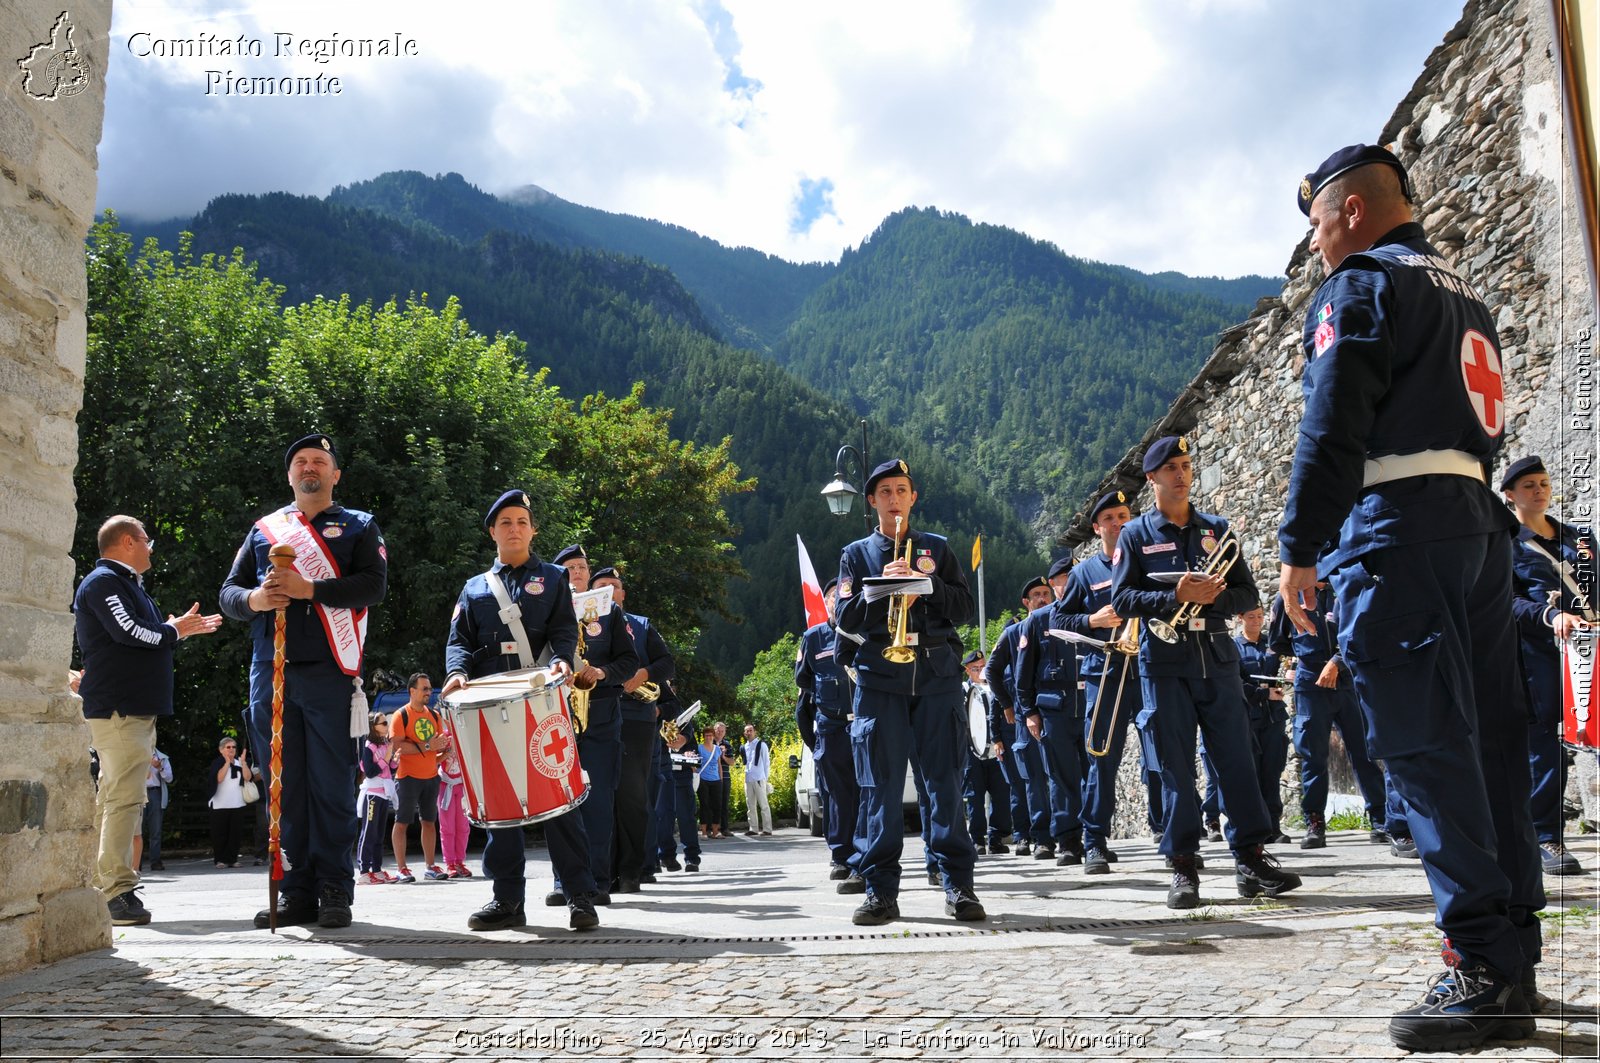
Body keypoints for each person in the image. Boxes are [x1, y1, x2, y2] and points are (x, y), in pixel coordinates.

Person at [1278, 144, 1543, 1050]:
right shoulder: (1462, 289)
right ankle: (1516, 952)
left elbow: (1333, 418)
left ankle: (1479, 964)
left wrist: (1299, 546)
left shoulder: (1359, 285)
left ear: (1351, 210)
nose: (1315, 243)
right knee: (1496, 744)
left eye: (1316, 222)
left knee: (1428, 746)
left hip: (1399, 532)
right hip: (1476, 525)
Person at [1111, 435, 1299, 910]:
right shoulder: (1136, 535)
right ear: (1151, 478)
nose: (1181, 473)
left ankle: (1251, 859)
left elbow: (1248, 595)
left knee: (1237, 759)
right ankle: (1182, 865)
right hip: (1165, 665)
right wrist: (1175, 595)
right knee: (1175, 766)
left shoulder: (1218, 529)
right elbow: (1122, 600)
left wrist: (1217, 597)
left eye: (1186, 465)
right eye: (1170, 467)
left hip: (1217, 660)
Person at [221, 433, 388, 931]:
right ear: (290, 474)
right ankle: (293, 889)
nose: (309, 466)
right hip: (268, 670)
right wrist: (256, 600)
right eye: (300, 461)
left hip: (328, 674)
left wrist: (308, 589)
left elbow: (372, 586)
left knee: (331, 786)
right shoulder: (265, 530)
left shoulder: (359, 526)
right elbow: (229, 593)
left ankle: (336, 886)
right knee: (283, 787)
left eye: (320, 461)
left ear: (335, 475)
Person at [834, 458, 983, 926]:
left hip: (937, 675)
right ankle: (880, 890)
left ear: (913, 497)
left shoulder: (937, 548)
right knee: (879, 788)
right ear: (872, 501)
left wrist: (927, 587)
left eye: (902, 490)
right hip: (880, 679)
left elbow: (962, 606)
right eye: (885, 492)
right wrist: (883, 591)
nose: (894, 499)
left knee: (945, 784)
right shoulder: (855, 555)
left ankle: (957, 884)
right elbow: (844, 619)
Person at [441, 492, 599, 931]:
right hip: (490, 704)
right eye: (505, 522)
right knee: (499, 804)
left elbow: (565, 629)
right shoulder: (474, 588)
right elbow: (459, 641)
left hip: (540, 699)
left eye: (522, 521)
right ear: (492, 531)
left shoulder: (552, 578)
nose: (514, 528)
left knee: (561, 802)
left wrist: (563, 660)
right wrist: (456, 672)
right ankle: (507, 899)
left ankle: (580, 895)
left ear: (532, 530)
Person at [73, 515, 222, 926]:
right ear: (127, 542)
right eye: (147, 539)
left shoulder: (122, 584)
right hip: (119, 708)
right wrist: (174, 631)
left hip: (128, 708)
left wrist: (179, 631)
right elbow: (130, 631)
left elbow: (146, 633)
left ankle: (102, 885)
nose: (152, 547)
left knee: (114, 797)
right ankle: (117, 892)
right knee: (124, 799)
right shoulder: (104, 582)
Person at [1057, 491, 1165, 872]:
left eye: (1124, 515)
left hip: (1151, 670)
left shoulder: (1152, 560)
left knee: (1163, 755)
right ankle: (1095, 841)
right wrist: (1092, 621)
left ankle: (1169, 834)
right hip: (1106, 673)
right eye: (1111, 518)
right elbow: (1059, 621)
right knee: (1101, 758)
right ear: (1097, 527)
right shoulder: (1086, 572)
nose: (1119, 522)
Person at [1502, 454, 1593, 876]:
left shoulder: (1580, 539)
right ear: (1510, 496)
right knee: (1549, 746)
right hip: (1541, 658)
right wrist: (1551, 616)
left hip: (1590, 651)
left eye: (1543, 483)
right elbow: (1507, 601)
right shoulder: (1505, 542)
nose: (1539, 491)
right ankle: (1547, 836)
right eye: (1528, 486)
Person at [551, 544, 640, 904]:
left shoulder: (611, 614)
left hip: (601, 714)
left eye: (583, 567)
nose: (577, 572)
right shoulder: (546, 612)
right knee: (561, 801)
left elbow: (629, 660)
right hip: (557, 717)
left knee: (599, 800)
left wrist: (602, 672)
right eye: (570, 567)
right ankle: (563, 882)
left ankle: (598, 881)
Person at [1267, 587, 1388, 847]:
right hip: (1311, 682)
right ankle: (1314, 822)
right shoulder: (1287, 595)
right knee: (1313, 755)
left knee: (1365, 752)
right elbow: (1277, 641)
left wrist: (1336, 661)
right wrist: (1308, 654)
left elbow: (1360, 630)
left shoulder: (1342, 589)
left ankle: (1380, 819)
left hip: (1349, 680)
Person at [590, 566, 676, 891]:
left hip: (635, 719)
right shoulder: (579, 624)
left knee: (632, 798)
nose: (610, 591)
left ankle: (630, 872)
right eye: (602, 587)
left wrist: (642, 674)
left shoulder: (641, 625)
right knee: (599, 797)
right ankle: (602, 873)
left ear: (623, 594)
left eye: (615, 587)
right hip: (595, 717)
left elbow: (667, 663)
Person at [1015, 565, 1089, 866]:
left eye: (1073, 581)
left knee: (1094, 775)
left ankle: (1095, 838)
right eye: (1062, 583)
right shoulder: (1038, 621)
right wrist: (1030, 712)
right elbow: (1023, 675)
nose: (1068, 587)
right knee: (1061, 776)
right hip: (1054, 707)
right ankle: (1069, 840)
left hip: (1089, 704)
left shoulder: (1092, 615)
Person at [796, 579, 864, 887]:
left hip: (863, 726)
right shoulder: (812, 638)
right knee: (838, 796)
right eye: (832, 598)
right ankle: (840, 856)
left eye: (843, 597)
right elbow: (805, 687)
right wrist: (816, 743)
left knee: (868, 793)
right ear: (826, 603)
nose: (837, 602)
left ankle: (864, 856)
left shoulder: (866, 631)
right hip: (831, 727)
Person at [983, 579, 1054, 857]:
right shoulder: (1013, 633)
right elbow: (992, 671)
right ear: (1026, 603)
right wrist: (1007, 705)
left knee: (1065, 777)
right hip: (1026, 718)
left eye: (1046, 594)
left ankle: (1070, 834)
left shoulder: (1062, 625)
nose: (1042, 598)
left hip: (1059, 712)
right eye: (1035, 595)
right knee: (1033, 780)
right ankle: (1040, 837)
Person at [1234, 606, 1290, 844]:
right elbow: (1234, 682)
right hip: (1249, 718)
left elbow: (1284, 669)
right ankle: (1254, 828)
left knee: (1272, 771)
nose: (1257, 621)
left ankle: (1273, 826)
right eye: (1251, 617)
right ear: (1240, 618)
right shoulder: (1233, 647)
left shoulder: (1273, 644)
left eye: (1260, 616)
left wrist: (1286, 679)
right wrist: (1261, 694)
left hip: (1273, 718)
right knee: (1252, 774)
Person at [389, 673, 447, 883]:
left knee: (429, 822)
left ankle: (430, 867)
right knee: (402, 822)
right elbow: (396, 746)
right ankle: (401, 868)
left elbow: (438, 746)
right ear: (412, 691)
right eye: (424, 689)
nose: (428, 692)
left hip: (431, 776)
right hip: (407, 778)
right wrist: (427, 746)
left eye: (430, 689)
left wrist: (446, 753)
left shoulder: (434, 715)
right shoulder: (400, 715)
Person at [959, 651, 1011, 855]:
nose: (980, 671)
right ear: (967, 671)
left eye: (983, 666)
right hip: (972, 752)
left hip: (996, 748)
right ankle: (977, 839)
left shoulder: (996, 687)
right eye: (975, 668)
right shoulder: (963, 690)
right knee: (974, 796)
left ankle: (997, 837)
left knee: (1001, 795)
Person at [355, 713, 398, 885]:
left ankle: (377, 869)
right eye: (384, 723)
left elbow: (389, 769)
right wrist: (386, 759)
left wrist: (394, 760)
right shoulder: (369, 746)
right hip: (372, 794)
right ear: (374, 726)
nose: (387, 725)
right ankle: (364, 871)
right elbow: (370, 771)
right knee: (369, 832)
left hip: (383, 792)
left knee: (379, 833)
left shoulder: (385, 744)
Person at [206, 736, 255, 867]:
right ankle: (220, 860)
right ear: (221, 750)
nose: (231, 749)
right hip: (219, 804)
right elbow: (219, 779)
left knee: (235, 834)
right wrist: (227, 763)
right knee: (220, 834)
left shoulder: (240, 762)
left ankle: (232, 859)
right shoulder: (217, 762)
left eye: (233, 747)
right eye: (228, 747)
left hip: (237, 803)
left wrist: (243, 763)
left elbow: (248, 777)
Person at [436, 722, 472, 879]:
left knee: (463, 826)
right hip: (446, 785)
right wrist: (446, 752)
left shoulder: (465, 734)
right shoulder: (442, 737)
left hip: (462, 785)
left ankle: (460, 862)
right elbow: (434, 759)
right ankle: (450, 862)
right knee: (447, 826)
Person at [137, 747, 173, 872]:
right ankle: (136, 863)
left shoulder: (161, 757)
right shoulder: (136, 752)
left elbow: (169, 778)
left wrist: (159, 768)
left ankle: (156, 861)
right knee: (137, 830)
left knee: (155, 830)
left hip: (154, 792)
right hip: (139, 792)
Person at [741, 723, 773, 835]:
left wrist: (765, 779)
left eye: (750, 730)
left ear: (755, 732)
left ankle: (767, 829)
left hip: (759, 778)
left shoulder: (761, 745)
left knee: (763, 805)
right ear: (745, 733)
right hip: (748, 778)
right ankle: (753, 828)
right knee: (750, 805)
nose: (748, 733)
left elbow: (766, 763)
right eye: (746, 731)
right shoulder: (744, 746)